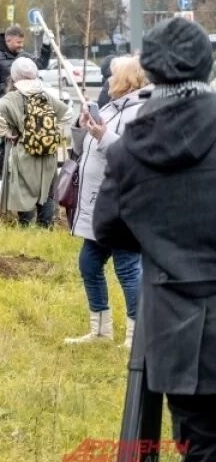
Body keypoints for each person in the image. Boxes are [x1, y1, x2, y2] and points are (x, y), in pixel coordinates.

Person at [93, 17, 216, 462]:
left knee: (204, 457)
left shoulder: (128, 151)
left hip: (177, 330)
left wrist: (161, 241)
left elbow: (109, 230)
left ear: (151, 72)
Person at [65, 56, 148, 347]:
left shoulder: (140, 112)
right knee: (89, 264)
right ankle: (100, 332)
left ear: (126, 79)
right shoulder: (111, 108)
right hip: (99, 204)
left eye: (113, 76)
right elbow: (82, 149)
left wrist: (103, 135)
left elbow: (135, 155)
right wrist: (81, 124)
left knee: (127, 267)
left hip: (123, 203)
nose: (108, 81)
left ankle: (137, 335)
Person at [0, 56, 70, 227]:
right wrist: (51, 129)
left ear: (14, 76)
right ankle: (45, 227)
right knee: (46, 190)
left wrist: (7, 133)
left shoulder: (11, 98)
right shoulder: (45, 95)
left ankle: (25, 226)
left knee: (23, 190)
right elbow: (67, 113)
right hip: (47, 153)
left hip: (23, 151)